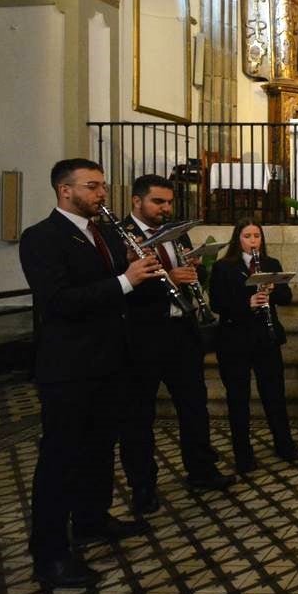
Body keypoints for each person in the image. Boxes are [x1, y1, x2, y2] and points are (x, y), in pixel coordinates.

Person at [19, 159, 159, 589]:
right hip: (70, 367)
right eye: (93, 187)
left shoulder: (100, 234)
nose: (102, 194)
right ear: (65, 191)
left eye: (103, 185)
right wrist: (126, 280)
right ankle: (51, 554)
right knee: (61, 459)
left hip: (110, 362)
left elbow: (124, 287)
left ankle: (92, 521)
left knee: (100, 447)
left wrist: (148, 271)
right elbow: (58, 300)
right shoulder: (41, 238)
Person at [119, 175, 234, 516]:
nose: (165, 208)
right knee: (139, 415)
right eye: (158, 202)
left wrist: (194, 268)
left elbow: (188, 273)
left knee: (194, 403)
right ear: (137, 201)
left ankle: (200, 469)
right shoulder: (120, 235)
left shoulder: (176, 232)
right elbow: (121, 285)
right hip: (143, 333)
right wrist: (169, 278)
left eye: (168, 202)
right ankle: (143, 486)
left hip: (182, 330)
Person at [209, 218, 298, 472]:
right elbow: (217, 304)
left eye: (257, 236)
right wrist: (246, 304)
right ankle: (243, 454)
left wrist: (273, 289)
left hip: (266, 338)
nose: (253, 241)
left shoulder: (270, 264)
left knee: (274, 395)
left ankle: (284, 444)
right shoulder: (223, 267)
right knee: (238, 399)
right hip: (234, 341)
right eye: (248, 236)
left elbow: (286, 297)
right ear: (237, 239)